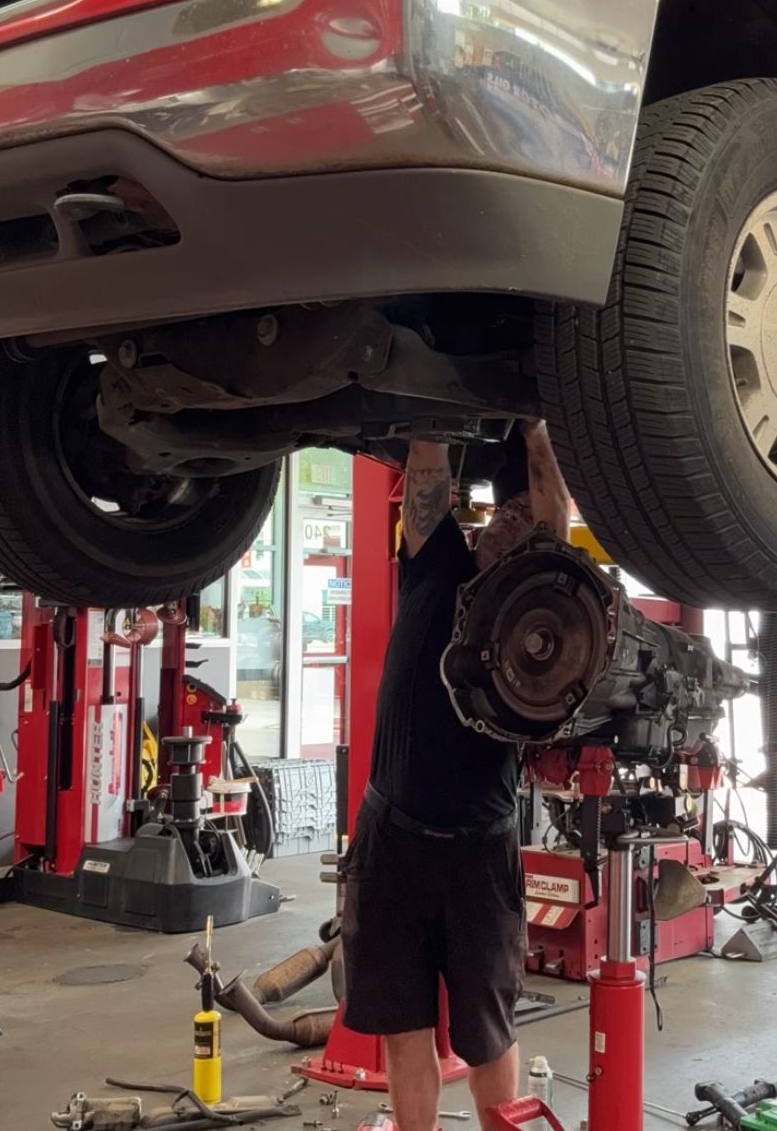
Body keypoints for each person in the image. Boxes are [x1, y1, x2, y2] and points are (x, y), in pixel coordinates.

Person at [340, 420, 571, 1131]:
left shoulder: (532, 612)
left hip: (478, 851)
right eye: (501, 515)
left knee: (485, 1032)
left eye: (520, 519)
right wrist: (432, 420)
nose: (507, 522)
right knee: (402, 1026)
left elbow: (551, 510)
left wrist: (536, 424)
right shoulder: (436, 568)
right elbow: (427, 487)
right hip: (393, 841)